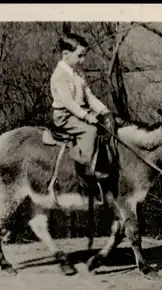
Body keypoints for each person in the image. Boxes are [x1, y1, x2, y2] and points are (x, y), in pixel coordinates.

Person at [50, 32, 111, 180]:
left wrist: (104, 111)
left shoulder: (78, 73)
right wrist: (87, 117)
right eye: (79, 56)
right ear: (66, 54)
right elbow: (69, 103)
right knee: (90, 131)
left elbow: (89, 96)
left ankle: (105, 162)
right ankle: (86, 168)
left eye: (84, 56)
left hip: (80, 112)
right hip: (64, 116)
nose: (83, 60)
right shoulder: (59, 76)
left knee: (107, 127)